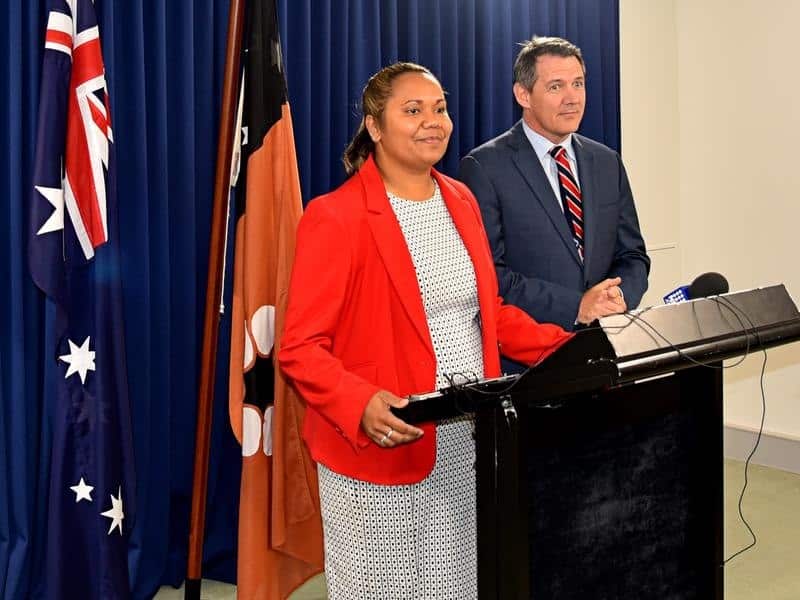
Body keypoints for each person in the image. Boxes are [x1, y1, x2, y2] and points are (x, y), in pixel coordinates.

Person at [278, 62, 571, 599]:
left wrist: (574, 348)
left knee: (458, 584)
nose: (432, 122)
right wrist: (360, 401)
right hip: (383, 443)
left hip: (466, 438)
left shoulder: (461, 200)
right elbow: (299, 348)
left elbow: (489, 314)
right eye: (412, 111)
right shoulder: (334, 217)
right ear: (374, 126)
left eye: (439, 108)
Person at [459, 36, 650, 343]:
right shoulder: (485, 167)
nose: (572, 98)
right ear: (523, 94)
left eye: (578, 84)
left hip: (606, 345)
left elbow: (632, 254)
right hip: (532, 357)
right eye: (556, 87)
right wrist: (576, 306)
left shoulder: (606, 161)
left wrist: (619, 294)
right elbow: (491, 274)